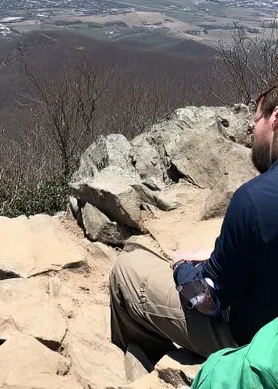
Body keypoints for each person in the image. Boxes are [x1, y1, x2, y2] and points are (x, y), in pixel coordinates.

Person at [109, 85, 278, 362]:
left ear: (275, 118)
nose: (252, 127)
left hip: (252, 345)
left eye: (257, 119)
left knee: (126, 270)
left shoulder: (253, 200)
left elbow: (206, 300)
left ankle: (143, 364)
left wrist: (183, 268)